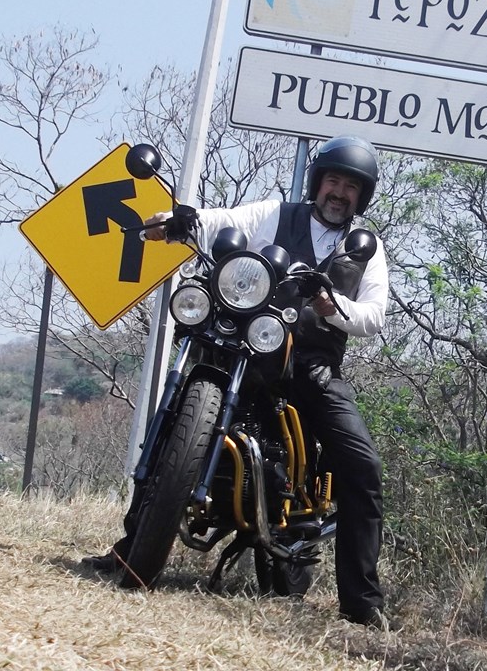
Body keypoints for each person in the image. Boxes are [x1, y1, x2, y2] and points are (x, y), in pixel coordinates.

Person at [85, 135, 392, 628]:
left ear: (362, 196)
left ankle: (361, 602)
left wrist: (331, 305)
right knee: (171, 423)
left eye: (351, 187)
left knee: (363, 468)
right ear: (318, 183)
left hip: (309, 367)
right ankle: (129, 550)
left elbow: (373, 316)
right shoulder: (278, 214)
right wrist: (180, 220)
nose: (339, 192)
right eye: (333, 180)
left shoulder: (367, 251)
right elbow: (226, 220)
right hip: (250, 346)